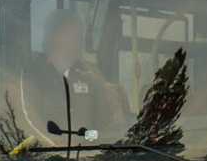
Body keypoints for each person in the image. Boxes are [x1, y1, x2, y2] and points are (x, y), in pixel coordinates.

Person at [17, 9, 126, 145]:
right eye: (71, 34)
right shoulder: (31, 74)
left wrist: (110, 144)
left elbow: (109, 120)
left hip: (95, 160)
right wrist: (59, 152)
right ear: (52, 36)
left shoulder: (91, 72)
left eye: (80, 35)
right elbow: (30, 124)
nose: (78, 40)